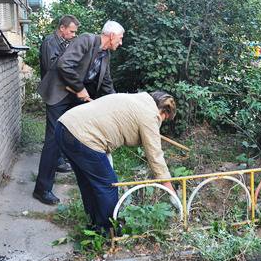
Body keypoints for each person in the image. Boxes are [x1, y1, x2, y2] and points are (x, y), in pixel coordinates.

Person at [56, 91, 176, 234]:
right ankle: (107, 231)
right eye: (164, 119)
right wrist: (170, 189)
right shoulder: (150, 115)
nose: (160, 123)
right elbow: (155, 155)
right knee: (109, 185)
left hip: (64, 127)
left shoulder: (136, 100)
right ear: (164, 110)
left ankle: (94, 223)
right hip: (83, 136)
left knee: (88, 182)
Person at [33, 20, 125, 205]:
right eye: (120, 39)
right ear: (112, 35)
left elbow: (106, 83)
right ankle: (42, 189)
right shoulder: (86, 40)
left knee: (75, 136)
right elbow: (64, 64)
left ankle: (80, 175)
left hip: (75, 99)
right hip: (59, 93)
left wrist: (119, 105)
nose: (120, 43)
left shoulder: (105, 55)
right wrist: (80, 88)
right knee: (53, 140)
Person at [39, 15, 80, 173]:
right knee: (53, 133)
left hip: (62, 93)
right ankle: (55, 163)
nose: (73, 35)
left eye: (75, 32)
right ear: (62, 28)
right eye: (71, 31)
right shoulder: (50, 42)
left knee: (61, 129)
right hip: (53, 93)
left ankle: (59, 160)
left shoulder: (64, 42)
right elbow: (52, 65)